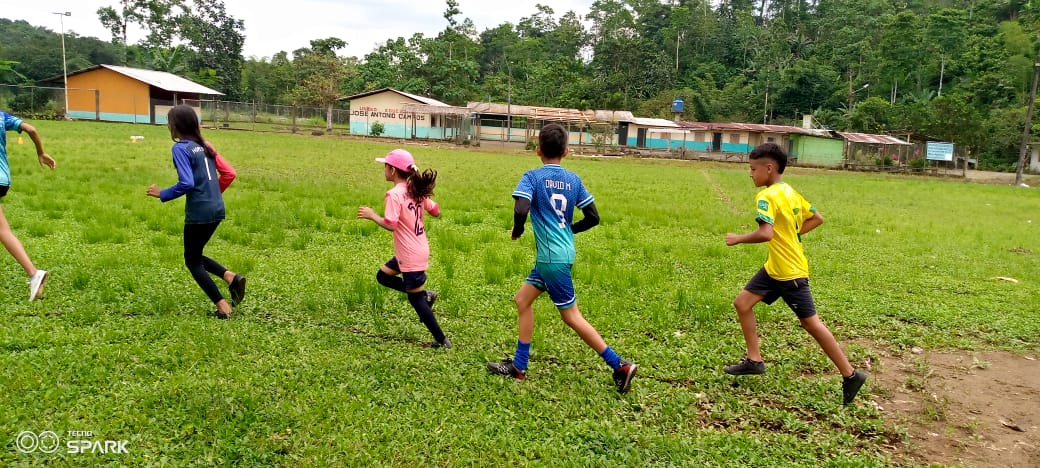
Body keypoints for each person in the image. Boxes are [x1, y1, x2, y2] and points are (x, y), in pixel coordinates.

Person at [486, 123, 637, 394]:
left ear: (537, 150)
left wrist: (518, 230)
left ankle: (619, 365)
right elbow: (593, 217)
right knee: (522, 300)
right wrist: (568, 230)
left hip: (551, 260)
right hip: (560, 255)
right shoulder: (574, 180)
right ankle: (519, 367)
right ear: (566, 151)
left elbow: (521, 209)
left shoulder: (532, 177)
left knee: (572, 316)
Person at [723, 142, 867, 405]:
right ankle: (754, 360)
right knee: (742, 303)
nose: (750, 174)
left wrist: (738, 239)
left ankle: (851, 374)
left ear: (769, 168)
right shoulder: (789, 191)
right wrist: (791, 235)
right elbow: (817, 218)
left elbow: (765, 233)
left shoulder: (766, 196)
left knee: (811, 324)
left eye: (753, 169)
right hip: (774, 268)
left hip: (789, 273)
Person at [147, 104, 245, 319]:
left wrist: (162, 193)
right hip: (217, 208)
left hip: (200, 212)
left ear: (176, 125)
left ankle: (223, 307)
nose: (168, 126)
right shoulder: (206, 145)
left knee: (192, 261)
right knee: (195, 254)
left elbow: (187, 183)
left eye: (169, 122)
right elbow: (229, 173)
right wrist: (212, 195)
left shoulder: (180, 148)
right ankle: (230, 277)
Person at [358, 149, 449, 348]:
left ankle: (442, 340)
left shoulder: (394, 194)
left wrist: (372, 215)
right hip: (418, 248)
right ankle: (425, 295)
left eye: (385, 166)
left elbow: (391, 224)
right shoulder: (415, 190)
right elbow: (436, 211)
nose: (384, 170)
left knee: (415, 299)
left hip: (409, 253)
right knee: (383, 276)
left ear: (392, 170)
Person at [1, 111, 56, 301]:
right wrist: (41, 153)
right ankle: (34, 275)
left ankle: (34, 273)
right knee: (2, 230)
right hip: (3, 180)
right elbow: (31, 129)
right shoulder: (2, 116)